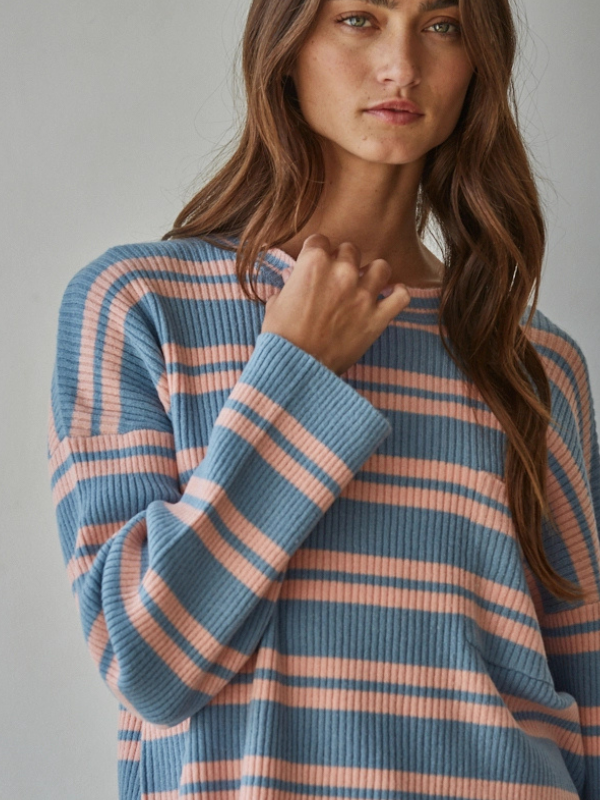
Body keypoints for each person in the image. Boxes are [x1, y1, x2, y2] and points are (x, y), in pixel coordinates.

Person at [47, 0, 600, 798]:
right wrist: (297, 366)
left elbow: (584, 673)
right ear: (286, 42)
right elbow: (150, 665)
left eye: (442, 25)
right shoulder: (140, 306)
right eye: (360, 18)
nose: (403, 65)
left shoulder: (534, 361)